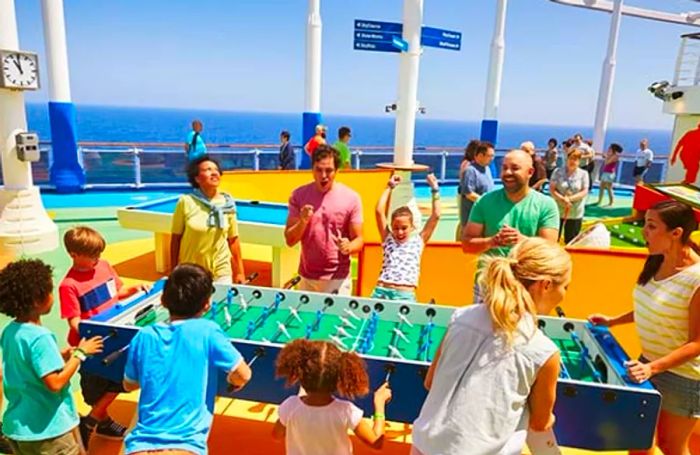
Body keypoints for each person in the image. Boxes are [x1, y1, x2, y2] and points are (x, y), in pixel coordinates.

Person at [412, 237, 569, 455]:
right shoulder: (543, 351)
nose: (564, 295)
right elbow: (540, 423)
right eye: (566, 287)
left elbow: (431, 381)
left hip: (424, 446)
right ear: (546, 285)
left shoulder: (460, 316)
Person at [589, 201, 700, 455]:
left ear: (677, 233)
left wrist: (653, 368)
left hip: (681, 378)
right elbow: (652, 307)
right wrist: (612, 321)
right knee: (637, 439)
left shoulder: (696, 279)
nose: (643, 231)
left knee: (671, 446)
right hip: (648, 366)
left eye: (651, 226)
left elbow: (697, 343)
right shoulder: (656, 260)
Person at [123, 263, 252, 455]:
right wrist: (232, 381)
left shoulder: (144, 336)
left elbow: (129, 385)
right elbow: (243, 374)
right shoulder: (208, 331)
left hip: (140, 447)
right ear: (207, 304)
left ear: (164, 300)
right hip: (186, 447)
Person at [0, 259, 103, 455]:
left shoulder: (10, 332)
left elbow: (27, 367)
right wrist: (80, 354)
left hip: (18, 428)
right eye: (49, 291)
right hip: (48, 432)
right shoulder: (41, 337)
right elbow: (55, 384)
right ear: (38, 300)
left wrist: (60, 357)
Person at [59, 226, 147, 446]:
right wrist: (92, 335)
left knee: (122, 380)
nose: (98, 259)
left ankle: (91, 421)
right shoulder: (69, 285)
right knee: (94, 391)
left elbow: (117, 294)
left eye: (99, 254)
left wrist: (136, 289)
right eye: (92, 256)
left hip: (117, 335)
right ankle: (101, 421)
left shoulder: (105, 266)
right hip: (93, 345)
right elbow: (74, 322)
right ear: (74, 255)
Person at [462, 149, 560, 304]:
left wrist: (522, 241)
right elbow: (467, 245)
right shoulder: (484, 202)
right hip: (488, 286)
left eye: (515, 168)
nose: (508, 172)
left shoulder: (546, 205)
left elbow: (549, 251)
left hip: (526, 289)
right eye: (504, 167)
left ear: (530, 172)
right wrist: (492, 242)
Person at [272, 339, 392, 454]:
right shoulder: (345, 411)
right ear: (339, 378)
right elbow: (376, 442)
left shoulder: (290, 406)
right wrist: (379, 403)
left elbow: (277, 436)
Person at [285, 145, 363, 295]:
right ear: (312, 169)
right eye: (319, 170)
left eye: (329, 170)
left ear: (337, 171)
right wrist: (303, 221)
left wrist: (349, 247)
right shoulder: (298, 195)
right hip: (306, 278)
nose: (323, 175)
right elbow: (290, 240)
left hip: (337, 279)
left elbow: (359, 240)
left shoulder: (352, 198)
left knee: (336, 319)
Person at [171, 156, 245, 285]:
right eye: (208, 169)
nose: (214, 173)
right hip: (191, 271)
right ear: (197, 178)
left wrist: (240, 272)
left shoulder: (228, 204)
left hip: (221, 270)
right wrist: (173, 271)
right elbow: (176, 238)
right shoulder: (186, 201)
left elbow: (233, 240)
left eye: (216, 170)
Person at [372, 173, 441, 301]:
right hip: (382, 290)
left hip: (404, 294)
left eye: (404, 228)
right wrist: (389, 187)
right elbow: (378, 211)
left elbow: (436, 216)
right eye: (396, 228)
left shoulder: (418, 241)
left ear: (412, 227)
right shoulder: (388, 239)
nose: (400, 232)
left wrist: (435, 189)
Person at [550, 149, 590, 244]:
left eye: (576, 159)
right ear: (567, 158)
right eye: (571, 158)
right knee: (553, 240)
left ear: (579, 161)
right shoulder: (557, 172)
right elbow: (552, 189)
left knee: (571, 241)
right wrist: (562, 199)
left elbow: (584, 191)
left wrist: (569, 199)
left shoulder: (584, 174)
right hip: (557, 211)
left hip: (575, 212)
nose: (573, 161)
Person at [458, 141, 495, 239]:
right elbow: (468, 193)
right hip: (472, 217)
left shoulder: (487, 169)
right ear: (480, 155)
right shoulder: (471, 171)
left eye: (493, 156)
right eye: (489, 156)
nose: (492, 159)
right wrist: (486, 202)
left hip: (486, 216)